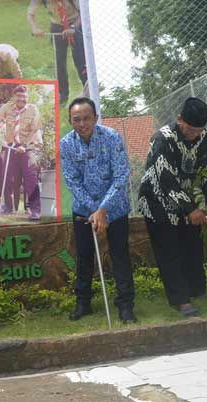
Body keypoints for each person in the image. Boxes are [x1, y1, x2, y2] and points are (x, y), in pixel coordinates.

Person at [138, 97, 207, 317]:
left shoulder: (204, 137)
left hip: (185, 200)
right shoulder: (163, 139)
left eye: (199, 130)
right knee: (169, 251)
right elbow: (166, 181)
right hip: (157, 201)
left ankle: (197, 290)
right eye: (191, 129)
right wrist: (191, 209)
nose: (194, 134)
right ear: (180, 119)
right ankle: (180, 300)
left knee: (192, 246)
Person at [60, 98, 137, 324]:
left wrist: (103, 208)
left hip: (115, 209)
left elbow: (121, 175)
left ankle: (126, 306)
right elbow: (72, 180)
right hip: (84, 211)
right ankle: (83, 303)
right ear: (70, 121)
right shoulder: (66, 144)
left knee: (120, 255)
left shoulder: (112, 137)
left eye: (86, 118)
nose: (82, 123)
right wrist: (95, 211)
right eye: (77, 119)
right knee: (84, 256)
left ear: (95, 118)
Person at [27, 0, 87, 105]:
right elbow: (30, 14)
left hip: (75, 22)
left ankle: (88, 92)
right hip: (56, 25)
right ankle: (62, 95)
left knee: (80, 59)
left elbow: (84, 12)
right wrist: (35, 28)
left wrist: (73, 28)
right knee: (59, 62)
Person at [0, 85, 43, 220]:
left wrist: (24, 146)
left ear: (27, 97)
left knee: (31, 179)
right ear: (14, 97)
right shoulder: (7, 107)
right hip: (11, 147)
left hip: (28, 147)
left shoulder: (33, 109)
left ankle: (34, 210)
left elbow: (34, 130)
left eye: (24, 96)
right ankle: (8, 206)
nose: (22, 99)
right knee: (7, 178)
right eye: (19, 96)